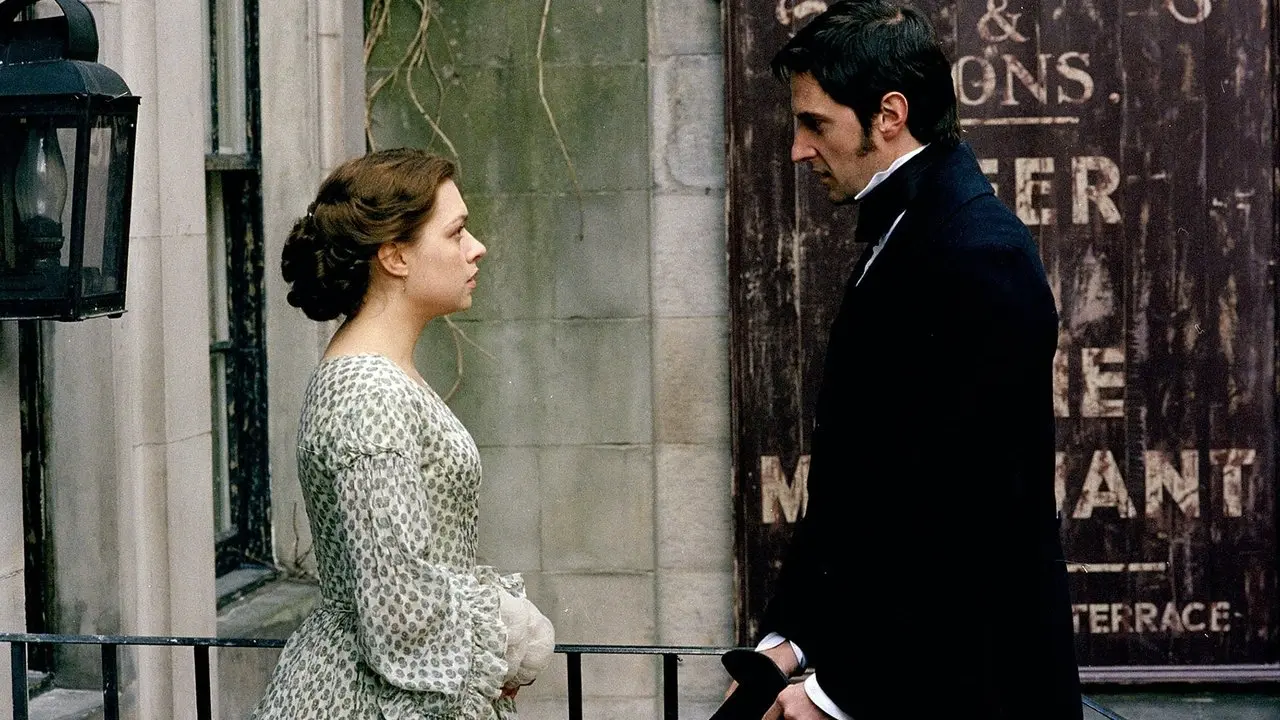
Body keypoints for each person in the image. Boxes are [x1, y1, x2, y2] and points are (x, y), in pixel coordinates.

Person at [739, 2, 1082, 717]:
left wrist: (839, 691)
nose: (798, 149)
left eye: (815, 124)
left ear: (890, 115)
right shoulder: (915, 231)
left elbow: (969, 514)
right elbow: (864, 486)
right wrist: (789, 642)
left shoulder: (978, 251)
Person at [253, 148, 554, 720]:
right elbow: (397, 603)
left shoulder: (383, 376)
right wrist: (505, 634)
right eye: (456, 232)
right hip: (370, 698)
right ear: (394, 256)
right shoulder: (368, 393)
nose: (476, 248)